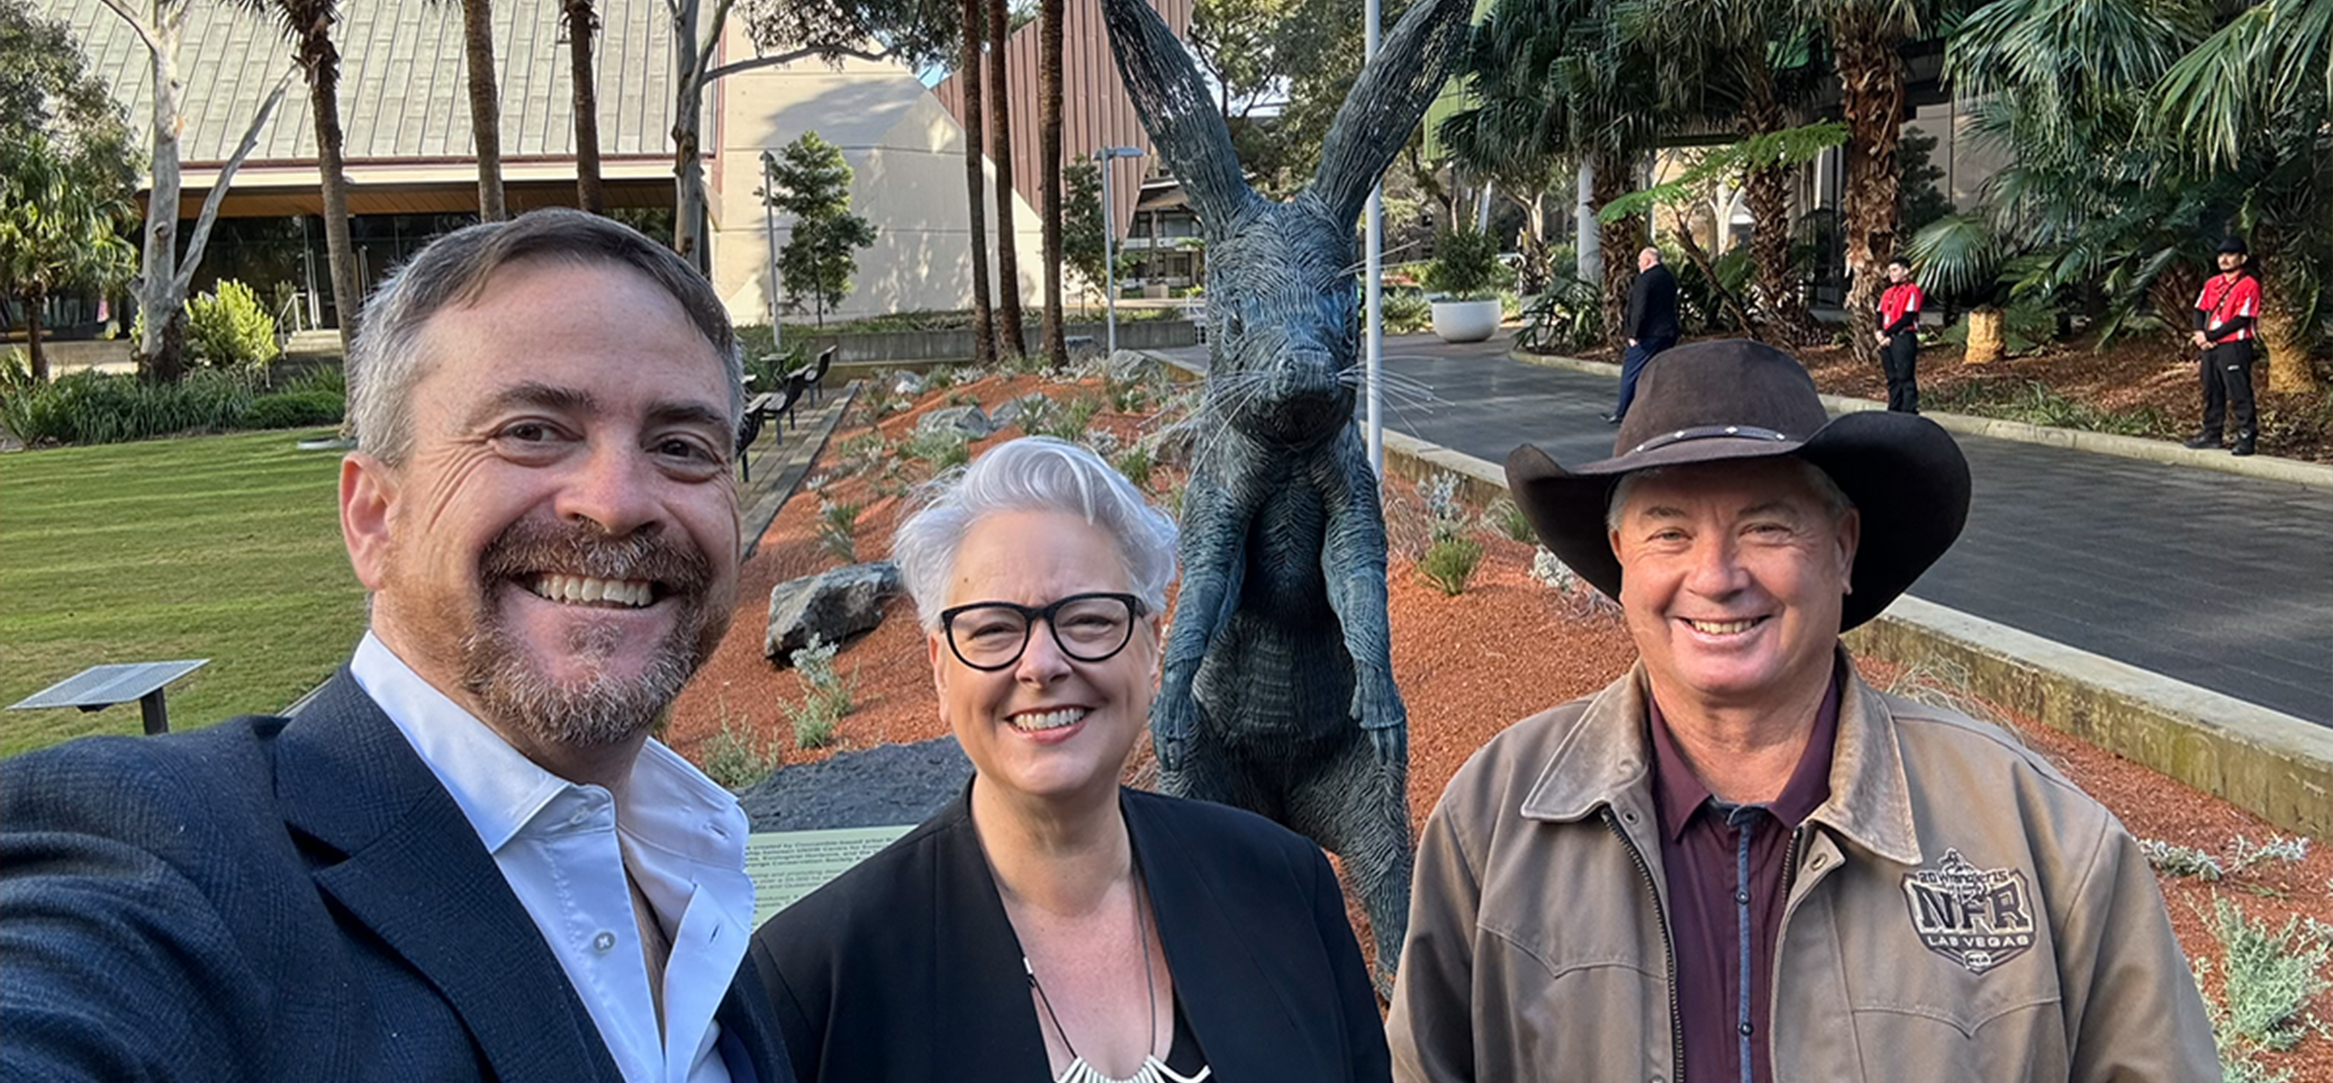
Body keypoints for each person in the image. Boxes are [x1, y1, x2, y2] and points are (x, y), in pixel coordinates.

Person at [0, 209, 794, 1083]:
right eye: (531, 430)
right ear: (374, 517)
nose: (615, 501)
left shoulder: (693, 872)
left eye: (681, 447)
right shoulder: (168, 857)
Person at [1389, 340, 2219, 1082]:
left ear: (1843, 547)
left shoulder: (2038, 836)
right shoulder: (1495, 821)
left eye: (1765, 526)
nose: (1715, 575)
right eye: (1668, 532)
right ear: (1620, 557)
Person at [751, 436, 1388, 1083]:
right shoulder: (815, 982)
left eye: (1087, 619)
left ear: (1149, 645)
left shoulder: (1283, 885)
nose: (1041, 664)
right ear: (940, 670)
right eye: (994, 627)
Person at [2186, 236, 2262, 457]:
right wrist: (2200, 334)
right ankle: (2212, 434)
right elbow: (2199, 309)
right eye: (2221, 255)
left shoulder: (2249, 284)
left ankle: (2246, 438)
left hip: (2235, 345)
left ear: (2242, 258)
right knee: (2211, 389)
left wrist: (2210, 335)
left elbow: (2242, 318)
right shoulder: (2212, 283)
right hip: (2210, 346)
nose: (2224, 259)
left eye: (2230, 255)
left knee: (2239, 391)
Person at [1606, 246, 1680, 424]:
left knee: (1632, 371)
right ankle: (1660, 410)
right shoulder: (1668, 277)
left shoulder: (1645, 280)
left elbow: (1639, 309)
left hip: (1648, 334)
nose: (1638, 264)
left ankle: (1623, 411)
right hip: (1668, 332)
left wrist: (1634, 333)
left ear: (1647, 261)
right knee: (1659, 371)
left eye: (1640, 260)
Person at [1876, 256, 1924, 414]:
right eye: (1890, 271)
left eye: (1895, 270)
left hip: (1903, 336)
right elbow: (1880, 313)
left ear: (1906, 271)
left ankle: (1909, 411)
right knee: (1892, 378)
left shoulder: (1913, 291)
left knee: (1905, 376)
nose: (1892, 274)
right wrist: (1879, 332)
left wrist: (1887, 333)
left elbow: (1908, 317)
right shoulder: (1888, 292)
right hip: (1887, 338)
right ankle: (1893, 410)